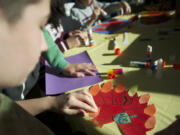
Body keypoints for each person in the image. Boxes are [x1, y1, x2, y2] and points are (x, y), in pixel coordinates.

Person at [0, 0, 98, 134]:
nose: (44, 46)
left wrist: (62, 63)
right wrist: (51, 103)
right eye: (34, 27)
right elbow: (6, 112)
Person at [61, 0, 132, 32]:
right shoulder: (74, 12)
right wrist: (92, 20)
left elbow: (106, 8)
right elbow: (80, 32)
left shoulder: (93, 3)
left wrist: (120, 4)